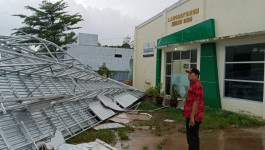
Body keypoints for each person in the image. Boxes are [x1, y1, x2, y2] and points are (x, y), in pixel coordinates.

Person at [183, 68, 204, 150]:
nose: (188, 75)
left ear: (196, 75)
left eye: (190, 73)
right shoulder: (193, 84)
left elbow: (196, 102)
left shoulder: (197, 86)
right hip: (191, 114)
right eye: (188, 73)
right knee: (193, 137)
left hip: (194, 116)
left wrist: (192, 117)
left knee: (191, 138)